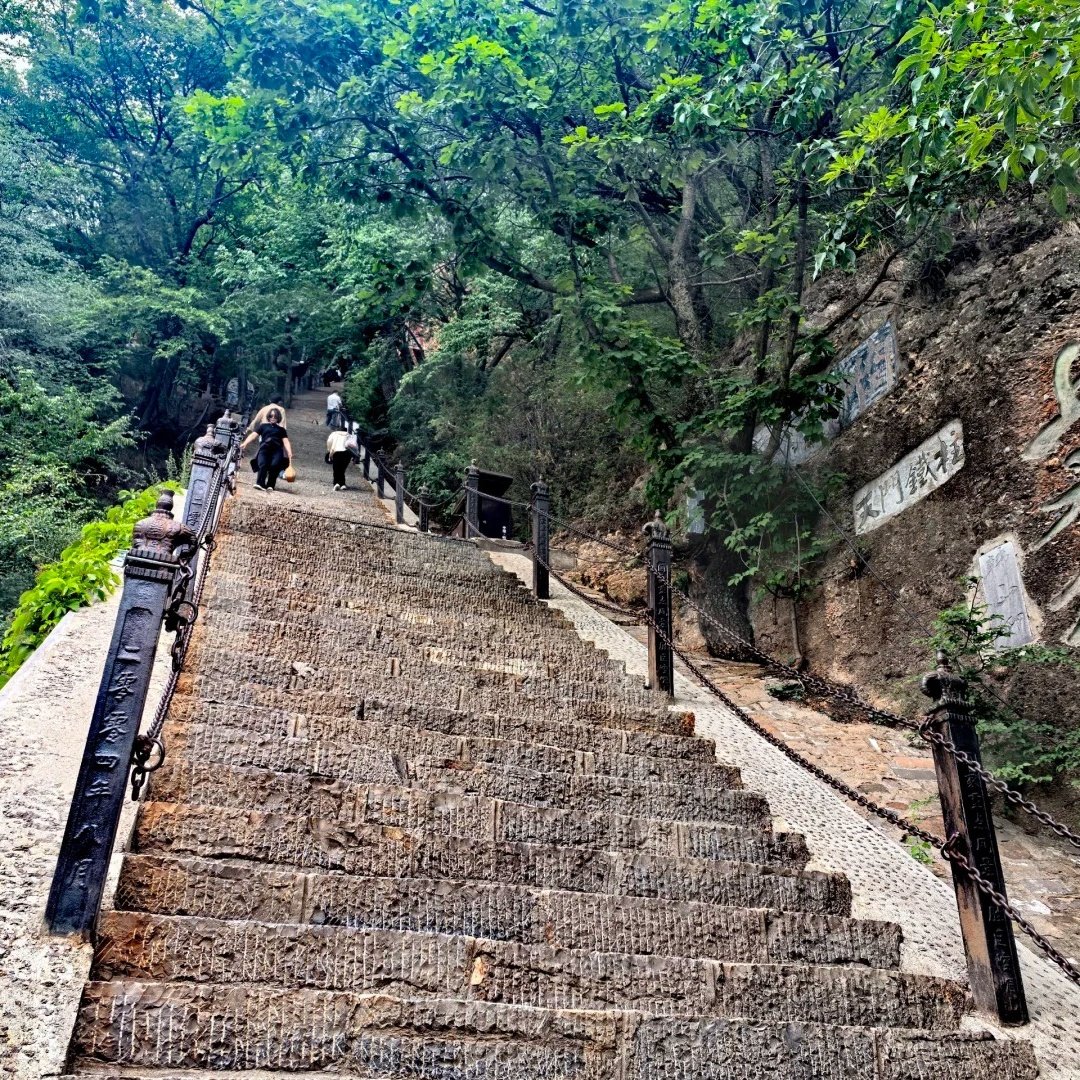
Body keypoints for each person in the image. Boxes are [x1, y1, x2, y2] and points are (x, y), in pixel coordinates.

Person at [240, 407, 292, 491]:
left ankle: (270, 485)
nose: (273, 418)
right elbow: (253, 435)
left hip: (277, 450)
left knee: (275, 465)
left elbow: (286, 442)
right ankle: (260, 483)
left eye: (275, 416)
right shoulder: (263, 426)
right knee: (262, 464)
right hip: (264, 448)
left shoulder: (281, 430)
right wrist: (245, 443)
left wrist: (289, 452)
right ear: (268, 416)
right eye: (271, 416)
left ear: (278, 418)